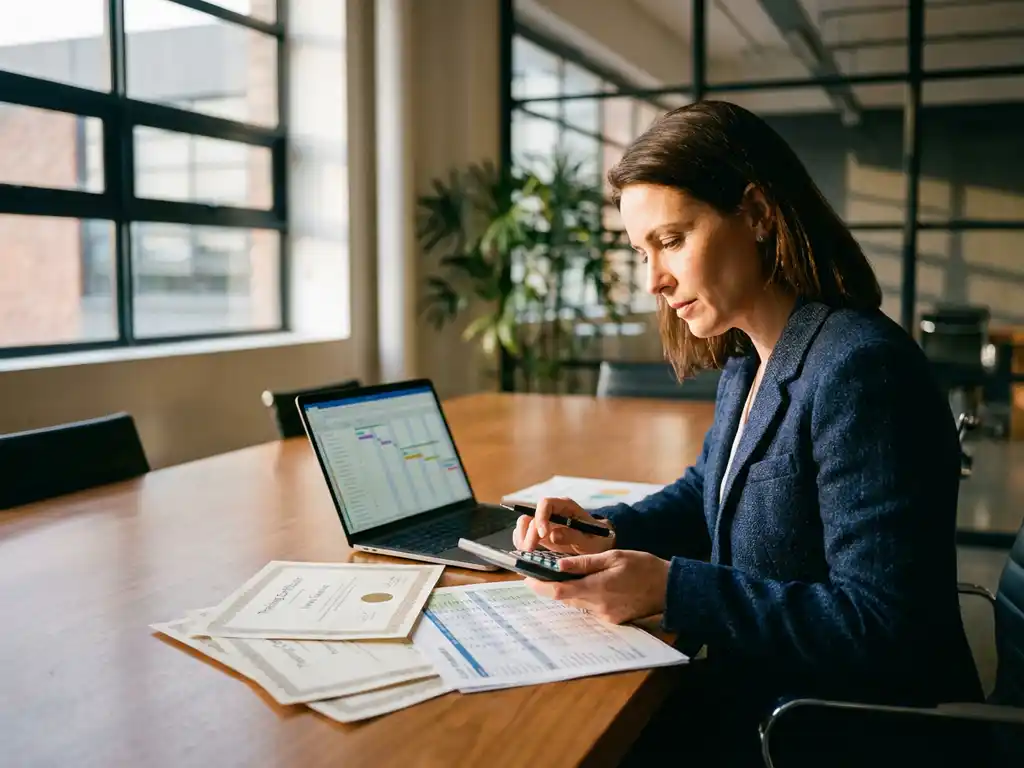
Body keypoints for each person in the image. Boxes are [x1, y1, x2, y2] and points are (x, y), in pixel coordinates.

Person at [513, 101, 983, 766]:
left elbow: (887, 627)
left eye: (672, 241)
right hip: (768, 695)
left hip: (828, 730)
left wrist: (673, 590)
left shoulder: (858, 367)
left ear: (759, 216)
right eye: (642, 252)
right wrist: (602, 531)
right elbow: (710, 491)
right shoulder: (750, 356)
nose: (654, 280)